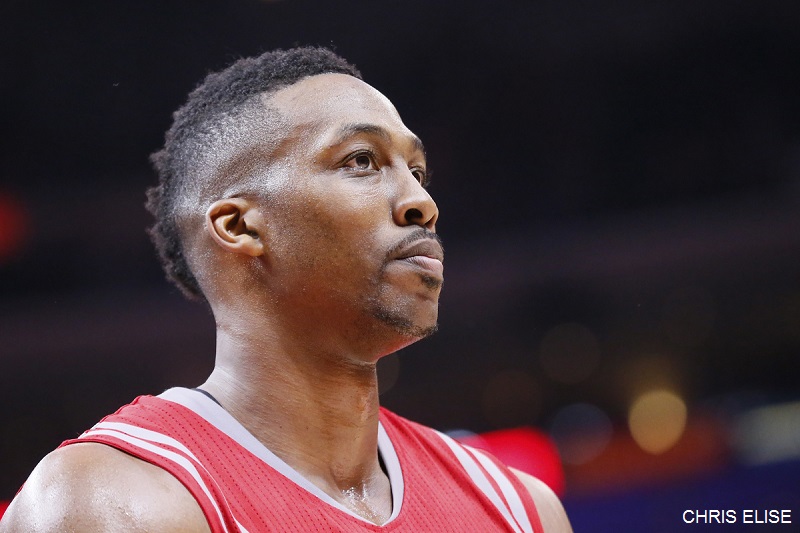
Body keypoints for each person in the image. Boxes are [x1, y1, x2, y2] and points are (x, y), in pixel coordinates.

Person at [0, 47, 571, 532]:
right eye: (362, 160)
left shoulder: (520, 509)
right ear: (240, 227)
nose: (422, 203)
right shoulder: (116, 503)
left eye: (416, 171)